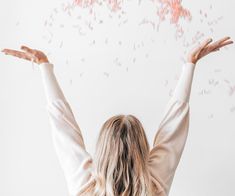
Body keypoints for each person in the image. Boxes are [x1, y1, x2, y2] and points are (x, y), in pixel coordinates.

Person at [1, 37, 233, 196]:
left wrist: (44, 66)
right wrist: (189, 65)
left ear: (102, 148)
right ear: (142, 149)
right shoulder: (154, 185)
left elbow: (63, 126)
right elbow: (173, 130)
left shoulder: (86, 185)